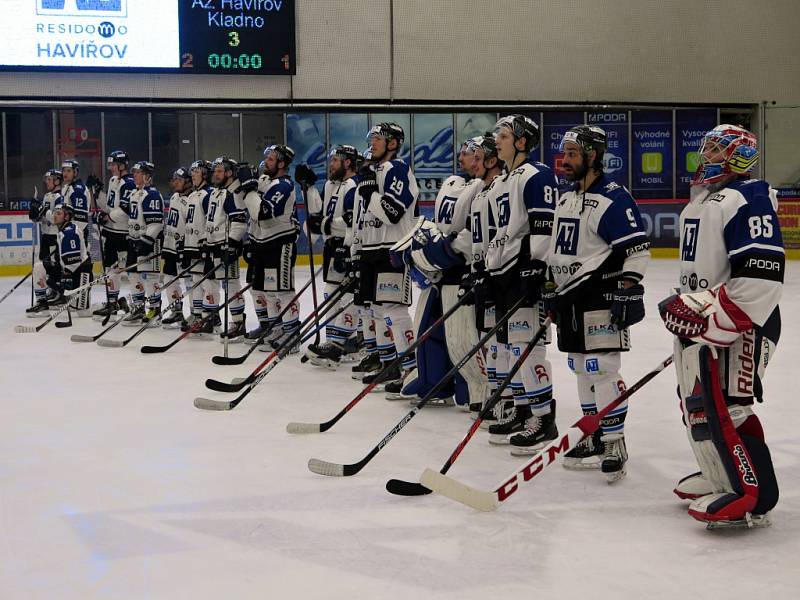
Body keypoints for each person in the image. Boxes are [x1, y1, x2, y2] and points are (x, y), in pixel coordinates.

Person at [659, 124, 782, 526]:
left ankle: (753, 491)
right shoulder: (701, 201)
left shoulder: (749, 197)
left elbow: (760, 273)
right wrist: (690, 307)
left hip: (741, 321)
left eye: (716, 149)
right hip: (704, 316)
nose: (705, 155)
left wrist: (719, 318)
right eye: (707, 148)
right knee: (697, 402)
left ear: (738, 156)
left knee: (731, 404)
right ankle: (719, 474)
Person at [548, 125, 650, 482]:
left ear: (592, 156)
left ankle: (614, 441)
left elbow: (636, 250)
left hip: (600, 296)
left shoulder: (613, 197)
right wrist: (550, 286)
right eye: (564, 154)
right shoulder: (565, 198)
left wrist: (627, 289)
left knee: (601, 369)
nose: (564, 161)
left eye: (573, 154)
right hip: (570, 299)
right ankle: (591, 435)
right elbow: (557, 251)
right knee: (579, 368)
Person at [389, 136, 488, 409]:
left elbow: (471, 235)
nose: (462, 157)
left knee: (462, 337)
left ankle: (475, 391)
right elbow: (442, 226)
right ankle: (434, 380)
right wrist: (421, 244)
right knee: (430, 326)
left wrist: (441, 251)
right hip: (443, 275)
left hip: (465, 272)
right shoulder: (454, 182)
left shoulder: (486, 187)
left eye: (469, 153)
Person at [481, 115, 559, 455]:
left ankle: (544, 418)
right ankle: (525, 409)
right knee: (514, 348)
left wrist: (537, 268)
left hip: (525, 272)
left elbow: (544, 225)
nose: (497, 140)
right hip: (505, 273)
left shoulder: (536, 174)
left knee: (530, 349)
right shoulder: (506, 179)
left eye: (504, 135)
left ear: (523, 141)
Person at [356, 122, 419, 389]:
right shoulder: (371, 171)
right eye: (371, 138)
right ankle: (388, 365)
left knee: (394, 310)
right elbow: (362, 219)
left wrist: (370, 191)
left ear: (393, 143)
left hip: (393, 249)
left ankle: (410, 367)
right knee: (377, 310)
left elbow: (392, 212)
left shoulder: (398, 169)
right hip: (370, 250)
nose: (372, 143)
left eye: (378, 139)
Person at [302, 145, 360, 368]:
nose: (331, 164)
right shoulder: (329, 184)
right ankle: (334, 342)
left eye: (335, 160)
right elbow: (320, 214)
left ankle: (341, 344)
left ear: (347, 162)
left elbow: (350, 222)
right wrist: (308, 188)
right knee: (331, 296)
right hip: (330, 248)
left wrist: (324, 225)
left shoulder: (353, 186)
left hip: (346, 248)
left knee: (348, 299)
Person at [244, 145, 301, 350]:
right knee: (267, 291)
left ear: (281, 163)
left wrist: (249, 190)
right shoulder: (266, 181)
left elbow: (263, 212)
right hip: (262, 243)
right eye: (266, 158)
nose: (265, 161)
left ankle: (292, 336)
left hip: (280, 244)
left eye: (271, 159)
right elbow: (246, 207)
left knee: (283, 291)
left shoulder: (284, 185)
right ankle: (276, 328)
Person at [202, 156, 248, 339]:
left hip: (225, 246)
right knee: (209, 284)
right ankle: (211, 319)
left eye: (220, 171)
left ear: (229, 173)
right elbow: (210, 220)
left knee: (231, 285)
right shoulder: (214, 192)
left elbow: (240, 223)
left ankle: (238, 322)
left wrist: (231, 243)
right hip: (213, 246)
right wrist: (205, 241)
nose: (216, 174)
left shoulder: (233, 193)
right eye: (216, 171)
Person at [93, 150, 136, 319]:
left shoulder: (130, 183)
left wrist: (108, 217)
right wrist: (98, 193)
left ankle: (137, 304)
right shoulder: (113, 180)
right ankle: (113, 302)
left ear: (122, 165)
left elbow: (125, 209)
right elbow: (109, 206)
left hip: (124, 233)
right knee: (109, 269)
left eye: (113, 164)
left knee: (129, 271)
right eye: (110, 164)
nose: (111, 167)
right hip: (110, 232)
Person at [123, 161, 164, 326]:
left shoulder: (152, 195)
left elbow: (156, 223)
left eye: (138, 173)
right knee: (133, 276)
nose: (134, 175)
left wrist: (146, 241)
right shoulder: (135, 193)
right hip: (134, 240)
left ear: (147, 176)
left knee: (150, 277)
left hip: (149, 242)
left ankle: (154, 310)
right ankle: (138, 308)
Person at [26, 169, 65, 315]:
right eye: (47, 180)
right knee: (43, 264)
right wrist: (35, 213)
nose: (47, 182)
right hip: (45, 236)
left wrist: (42, 210)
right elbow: (42, 217)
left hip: (55, 236)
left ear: (57, 181)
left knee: (53, 266)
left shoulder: (61, 197)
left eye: (50, 180)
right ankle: (50, 292)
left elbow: (57, 218)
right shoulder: (48, 196)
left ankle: (57, 292)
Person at [160, 167, 192, 328]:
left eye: (179, 180)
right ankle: (177, 311)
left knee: (190, 282)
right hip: (171, 246)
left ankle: (195, 314)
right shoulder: (174, 197)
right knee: (169, 279)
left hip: (185, 248)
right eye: (175, 180)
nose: (175, 183)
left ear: (188, 181)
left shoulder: (192, 199)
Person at [52, 203, 93, 318]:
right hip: (73, 272)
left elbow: (74, 259)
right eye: (55, 213)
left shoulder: (69, 232)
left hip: (82, 273)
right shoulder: (63, 230)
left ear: (67, 217)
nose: (55, 215)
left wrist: (66, 274)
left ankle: (118, 304)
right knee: (42, 268)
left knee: (83, 312)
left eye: (58, 213)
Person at [60, 159, 91, 239]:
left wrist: (71, 233)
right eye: (64, 171)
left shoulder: (78, 189)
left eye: (68, 171)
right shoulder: (67, 187)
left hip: (75, 233)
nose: (65, 173)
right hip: (68, 230)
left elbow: (80, 218)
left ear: (75, 172)